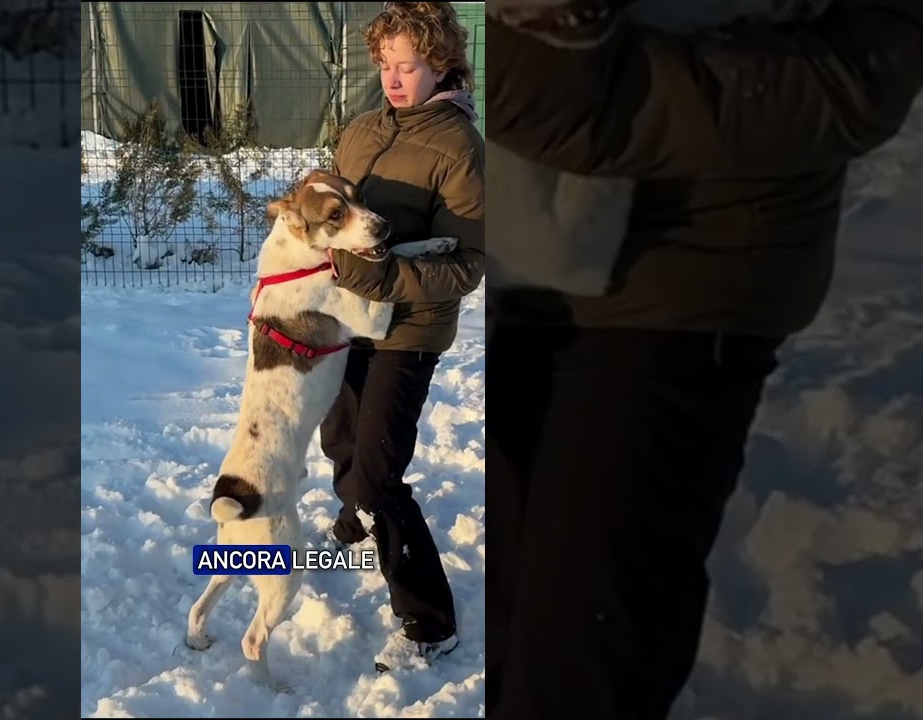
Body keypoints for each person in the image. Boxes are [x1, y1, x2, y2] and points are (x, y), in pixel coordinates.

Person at [482, 1, 923, 718]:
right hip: (522, 253)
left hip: (685, 281)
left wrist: (606, 92)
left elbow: (869, 69)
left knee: (581, 650)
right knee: (494, 623)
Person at [314, 1, 485, 672]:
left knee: (378, 475)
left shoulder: (459, 148)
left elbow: (466, 264)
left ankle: (429, 622)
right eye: (385, 64)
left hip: (407, 328)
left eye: (407, 66)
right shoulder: (361, 131)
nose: (391, 78)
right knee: (340, 438)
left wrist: (382, 276)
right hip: (345, 315)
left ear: (440, 65)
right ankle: (355, 525)